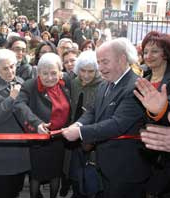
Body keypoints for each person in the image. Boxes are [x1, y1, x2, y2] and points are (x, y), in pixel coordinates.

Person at [62, 38, 151, 198]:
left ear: (122, 59)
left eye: (105, 62)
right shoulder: (105, 84)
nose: (100, 68)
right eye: (99, 62)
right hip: (106, 167)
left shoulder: (136, 87)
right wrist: (77, 124)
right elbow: (92, 111)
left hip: (126, 171)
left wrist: (80, 132)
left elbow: (117, 124)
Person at [14, 53, 71, 198]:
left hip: (59, 139)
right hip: (38, 138)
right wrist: (36, 123)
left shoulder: (66, 84)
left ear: (60, 72)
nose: (49, 77)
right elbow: (19, 105)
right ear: (38, 73)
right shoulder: (30, 85)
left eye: (54, 73)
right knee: (36, 175)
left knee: (56, 173)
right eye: (44, 73)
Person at [0, 49, 30, 198]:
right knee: (4, 192)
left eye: (12, 66)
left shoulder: (21, 82)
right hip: (2, 152)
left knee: (16, 189)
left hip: (20, 150)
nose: (10, 71)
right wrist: (11, 98)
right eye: (5, 68)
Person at [133, 31, 170, 197]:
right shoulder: (143, 78)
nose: (148, 56)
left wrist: (161, 111)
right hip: (143, 151)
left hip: (165, 153)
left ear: (166, 53)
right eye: (145, 51)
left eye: (154, 51)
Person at [69, 50, 103, 198]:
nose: (87, 75)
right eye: (83, 71)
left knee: (91, 171)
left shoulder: (102, 85)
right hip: (73, 131)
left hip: (92, 135)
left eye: (91, 71)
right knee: (75, 169)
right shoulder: (74, 82)